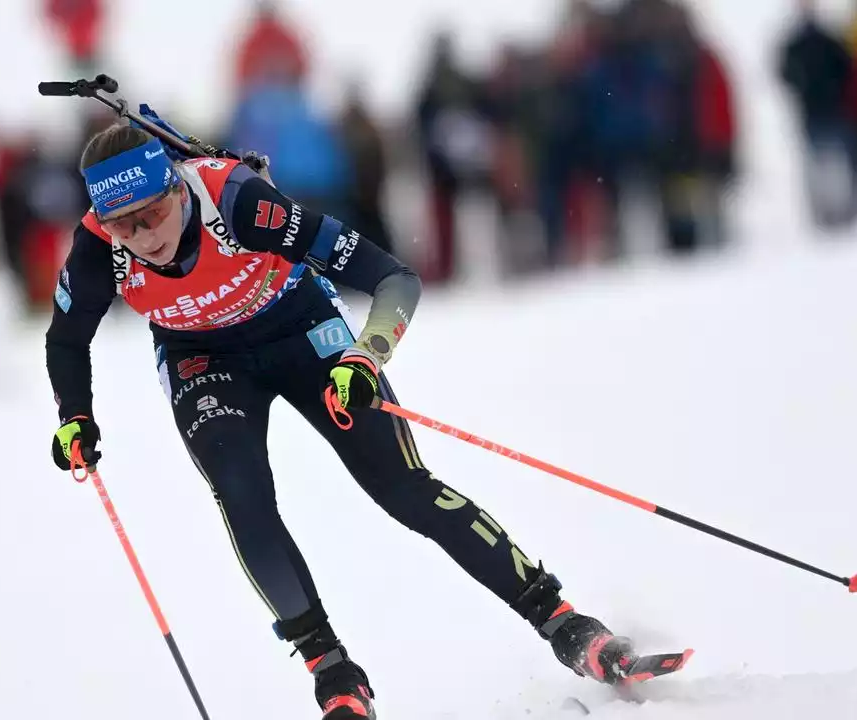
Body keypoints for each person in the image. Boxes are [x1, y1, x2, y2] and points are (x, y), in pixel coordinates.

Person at [45, 121, 645, 719]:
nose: (140, 238)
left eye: (149, 215)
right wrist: (74, 416)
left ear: (177, 191)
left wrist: (366, 356)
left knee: (403, 488)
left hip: (301, 331)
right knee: (242, 494)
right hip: (203, 359)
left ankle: (565, 624)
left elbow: (394, 279)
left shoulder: (239, 202)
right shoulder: (99, 248)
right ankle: (333, 674)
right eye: (121, 224)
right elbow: (66, 340)